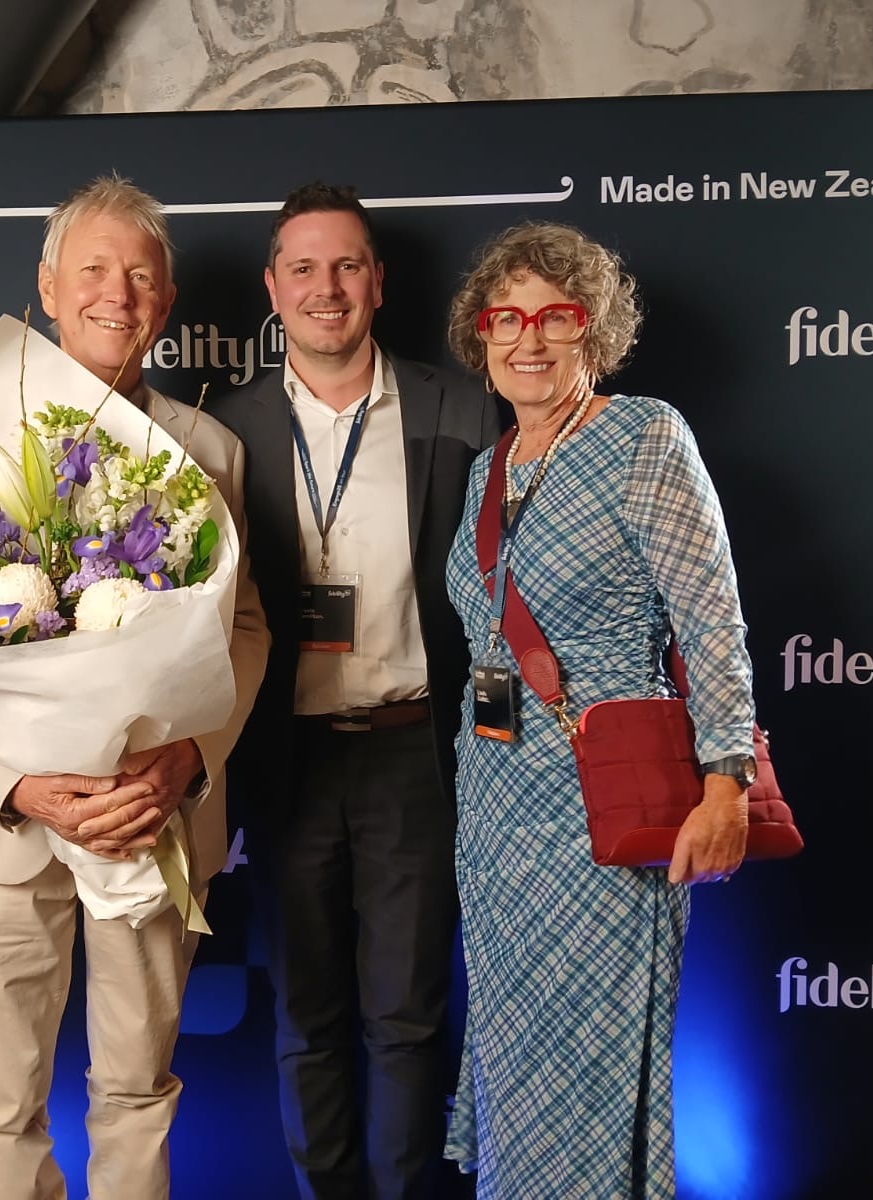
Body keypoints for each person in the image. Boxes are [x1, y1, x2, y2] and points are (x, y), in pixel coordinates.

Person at [0, 175, 269, 1200]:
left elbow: (245, 629)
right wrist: (19, 784)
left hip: (149, 820)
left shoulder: (212, 450)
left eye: (142, 276)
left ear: (166, 302)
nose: (120, 293)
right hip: (2, 828)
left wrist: (186, 759)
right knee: (1, 1106)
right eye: (95, 270)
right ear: (48, 288)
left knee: (137, 1092)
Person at [440, 220, 753, 1197]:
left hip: (600, 809)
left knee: (591, 1069)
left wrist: (727, 783)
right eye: (507, 318)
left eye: (556, 317)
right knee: (515, 1063)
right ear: (483, 335)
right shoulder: (488, 469)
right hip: (495, 815)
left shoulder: (643, 438)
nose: (528, 339)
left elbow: (710, 620)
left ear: (595, 331)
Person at [210, 182, 501, 1200]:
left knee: (409, 1018)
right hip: (285, 761)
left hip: (413, 754)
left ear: (377, 280)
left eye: (345, 265)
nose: (324, 288)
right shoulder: (226, 428)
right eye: (303, 267)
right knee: (307, 1017)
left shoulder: (459, 407)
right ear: (272, 287)